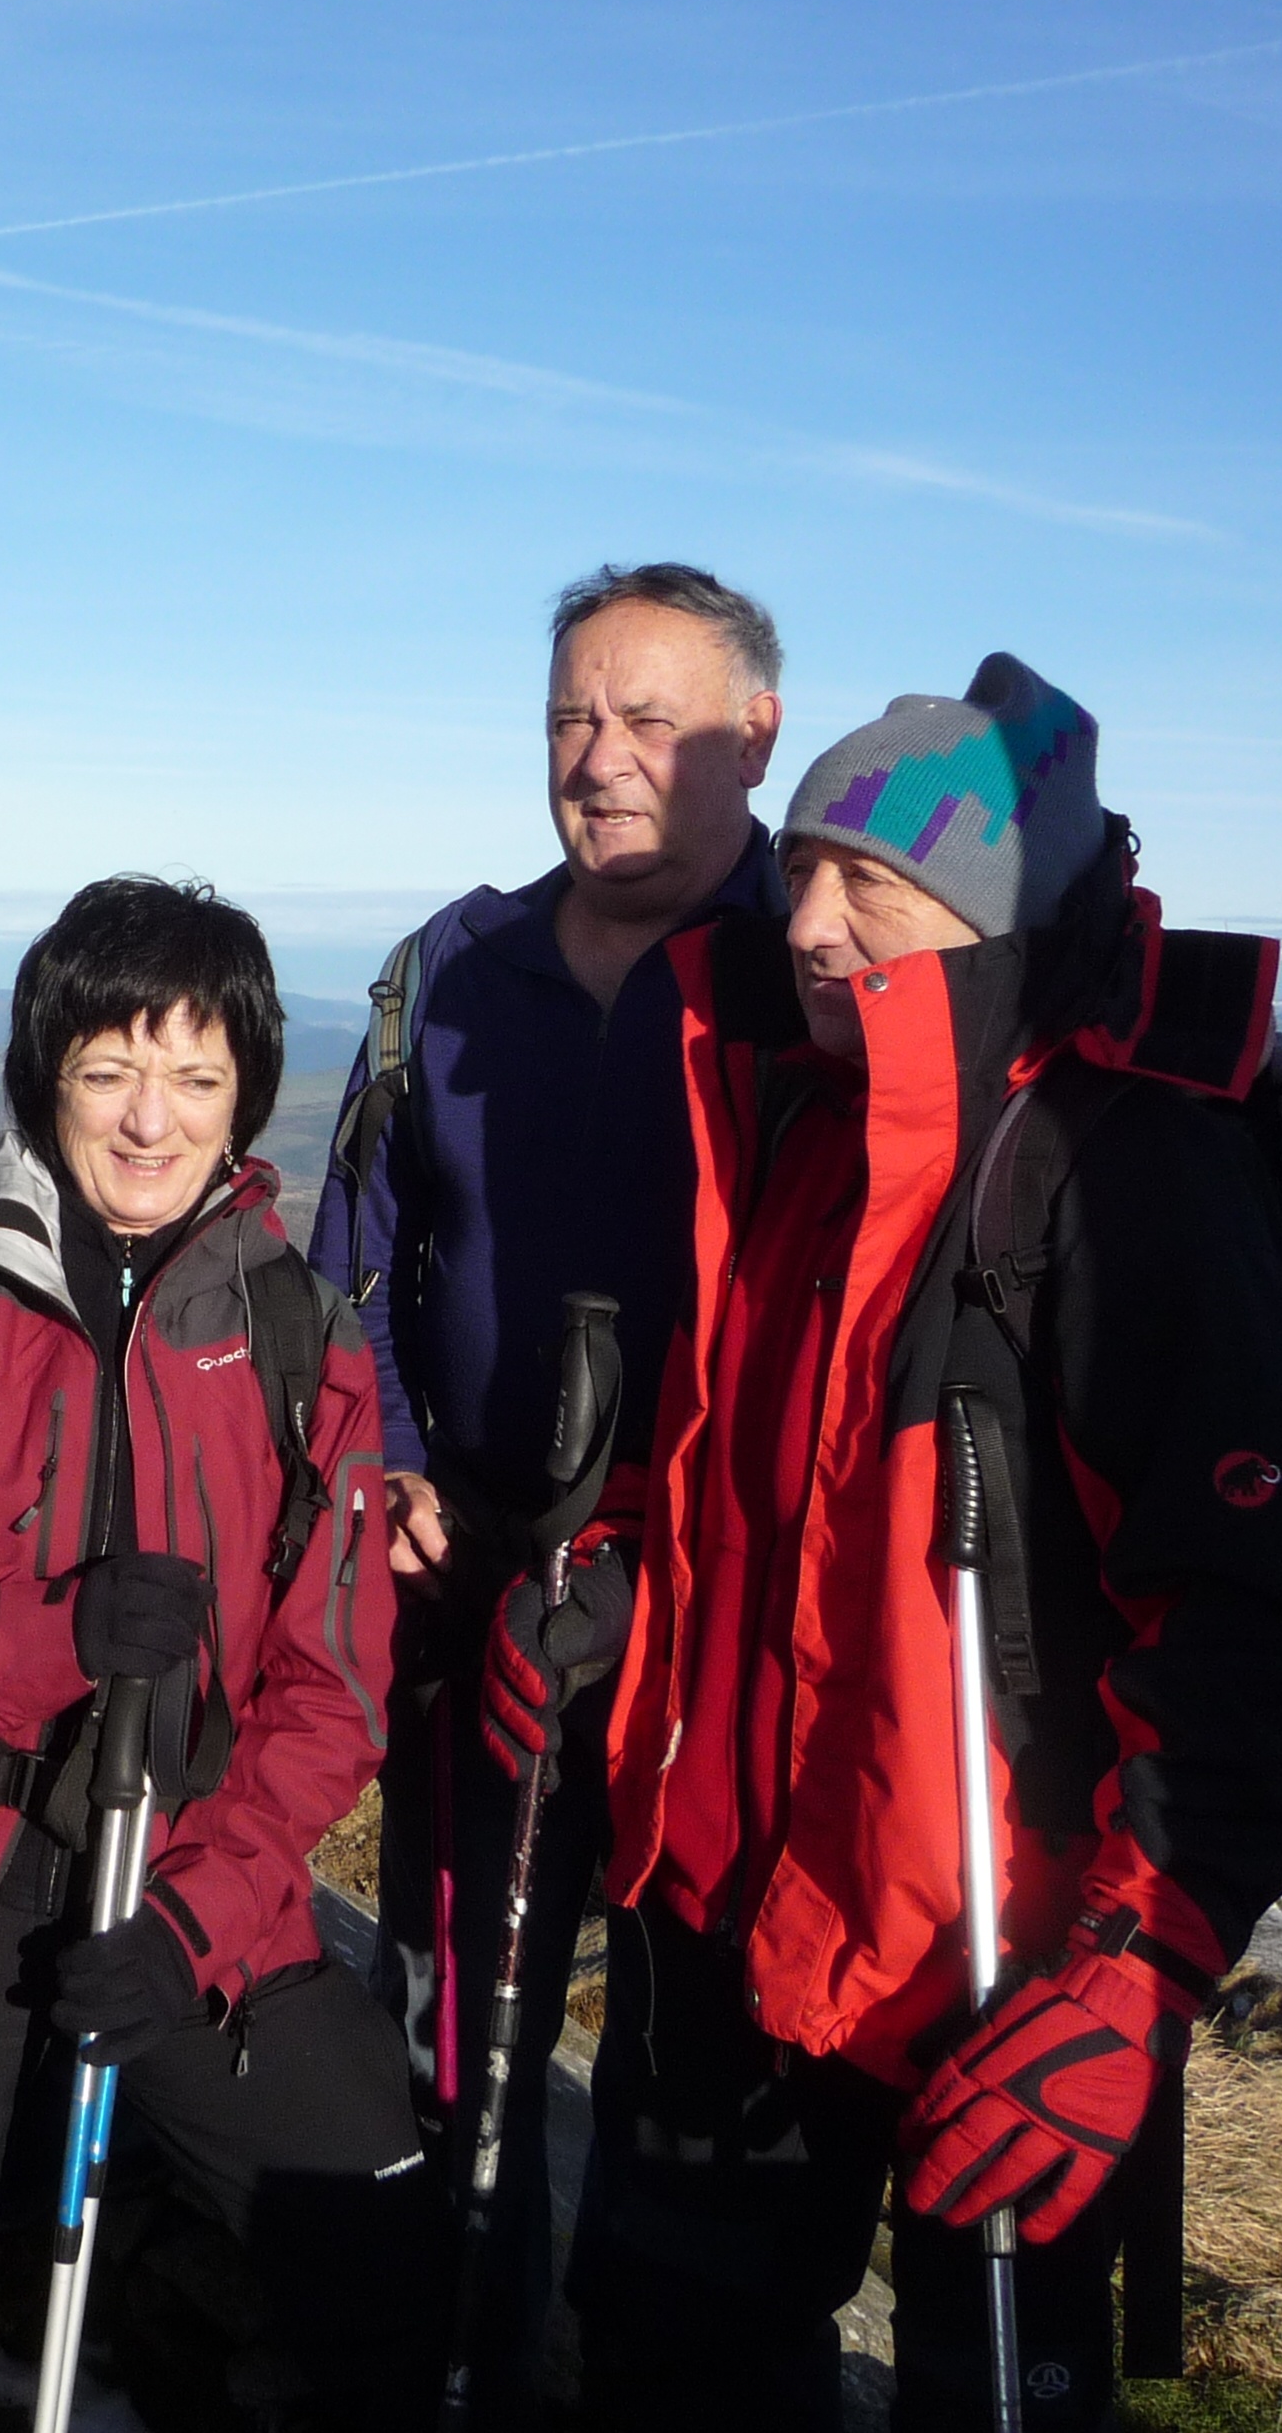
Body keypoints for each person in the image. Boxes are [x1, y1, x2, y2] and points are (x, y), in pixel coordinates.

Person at [488, 659, 1282, 2431]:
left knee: (988, 2402)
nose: (806, 921)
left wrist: (1137, 1969)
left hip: (999, 1963)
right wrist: (607, 1593)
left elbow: (1258, 1627)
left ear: (995, 922)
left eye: (872, 882)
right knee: (672, 2370)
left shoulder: (1123, 1174)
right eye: (802, 868)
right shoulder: (790, 1116)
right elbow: (720, 1478)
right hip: (727, 1912)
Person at [0, 876, 441, 2433]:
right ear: (43, 1077)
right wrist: (43, 1635)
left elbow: (331, 1696)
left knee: (382, 2242)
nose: (148, 1120)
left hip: (187, 1871)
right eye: (108, 1070)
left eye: (195, 1076)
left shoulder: (301, 1342)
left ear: (245, 1095)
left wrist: (195, 1926)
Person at [304, 560, 784, 2415]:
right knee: (457, 2015)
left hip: (719, 1617)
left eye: (649, 718)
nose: (599, 756)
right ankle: (463, 2355)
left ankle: (656, 2371)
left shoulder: (813, 975)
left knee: (692, 2039)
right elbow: (362, 1257)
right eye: (574, 717)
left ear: (753, 737)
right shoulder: (454, 968)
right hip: (478, 1578)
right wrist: (386, 1463)